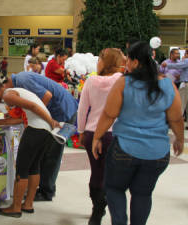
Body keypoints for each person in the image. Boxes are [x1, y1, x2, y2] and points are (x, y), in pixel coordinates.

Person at [93, 42, 184, 225]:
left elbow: (110, 114)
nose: (126, 64)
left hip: (125, 149)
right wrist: (179, 140)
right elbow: (176, 119)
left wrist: (97, 137)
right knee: (143, 193)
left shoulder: (124, 83)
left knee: (114, 188)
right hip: (157, 153)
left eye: (127, 60)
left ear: (134, 62)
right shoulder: (167, 84)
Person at [0, 79, 58, 218]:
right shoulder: (14, 93)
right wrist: (1, 122)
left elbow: (34, 107)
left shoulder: (7, 95)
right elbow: (23, 118)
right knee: (34, 167)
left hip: (36, 130)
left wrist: (50, 121)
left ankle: (15, 207)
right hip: (43, 131)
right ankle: (28, 204)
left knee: (22, 169)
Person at [0, 71, 78, 201]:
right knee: (42, 154)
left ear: (3, 85)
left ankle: (46, 191)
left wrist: (38, 115)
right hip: (55, 113)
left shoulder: (23, 80)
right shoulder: (19, 81)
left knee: (51, 154)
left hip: (62, 112)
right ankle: (39, 189)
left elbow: (46, 96)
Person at [77, 48, 125, 225]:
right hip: (115, 134)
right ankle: (105, 209)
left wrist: (81, 131)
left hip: (92, 132)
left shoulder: (91, 81)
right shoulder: (121, 80)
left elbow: (82, 109)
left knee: (96, 172)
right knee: (111, 174)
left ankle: (97, 210)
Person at [161, 49, 188, 124]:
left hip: (182, 84)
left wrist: (168, 65)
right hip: (168, 84)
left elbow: (178, 66)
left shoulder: (184, 61)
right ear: (171, 54)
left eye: (183, 53)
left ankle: (176, 122)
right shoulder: (166, 61)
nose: (179, 55)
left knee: (181, 104)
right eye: (177, 53)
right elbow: (160, 72)